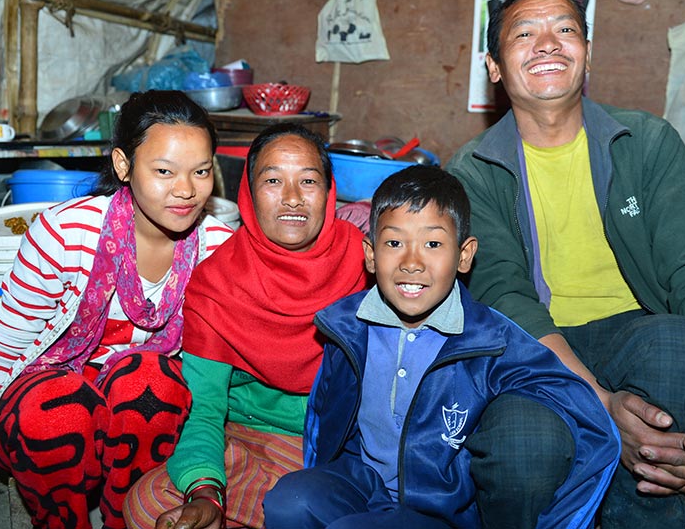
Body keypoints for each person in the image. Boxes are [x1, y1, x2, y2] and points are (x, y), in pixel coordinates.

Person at [445, 0, 685, 529]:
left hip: (635, 334)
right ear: (494, 67)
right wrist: (605, 409)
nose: (547, 43)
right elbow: (504, 296)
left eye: (565, 30)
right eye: (524, 34)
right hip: (534, 349)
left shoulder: (647, 143)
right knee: (521, 453)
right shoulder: (472, 171)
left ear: (587, 56)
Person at [0, 90, 234, 529]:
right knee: (58, 406)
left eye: (201, 172)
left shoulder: (216, 249)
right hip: (47, 418)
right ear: (124, 165)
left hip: (138, 425)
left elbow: (215, 373)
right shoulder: (67, 235)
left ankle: (131, 516)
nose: (186, 190)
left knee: (153, 379)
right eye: (164, 171)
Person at [263, 165, 621, 529]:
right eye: (394, 243)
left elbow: (584, 413)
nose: (412, 262)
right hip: (360, 482)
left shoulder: (489, 339)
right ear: (370, 254)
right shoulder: (347, 325)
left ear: (464, 255)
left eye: (433, 244)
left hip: (438, 510)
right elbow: (322, 418)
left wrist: (567, 520)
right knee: (289, 502)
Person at [122, 123, 369, 529]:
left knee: (299, 507)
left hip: (328, 446)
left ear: (329, 191)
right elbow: (203, 410)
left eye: (308, 180)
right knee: (146, 506)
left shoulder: (365, 265)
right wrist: (205, 492)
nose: (292, 198)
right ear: (248, 194)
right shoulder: (217, 282)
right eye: (273, 180)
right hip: (237, 438)